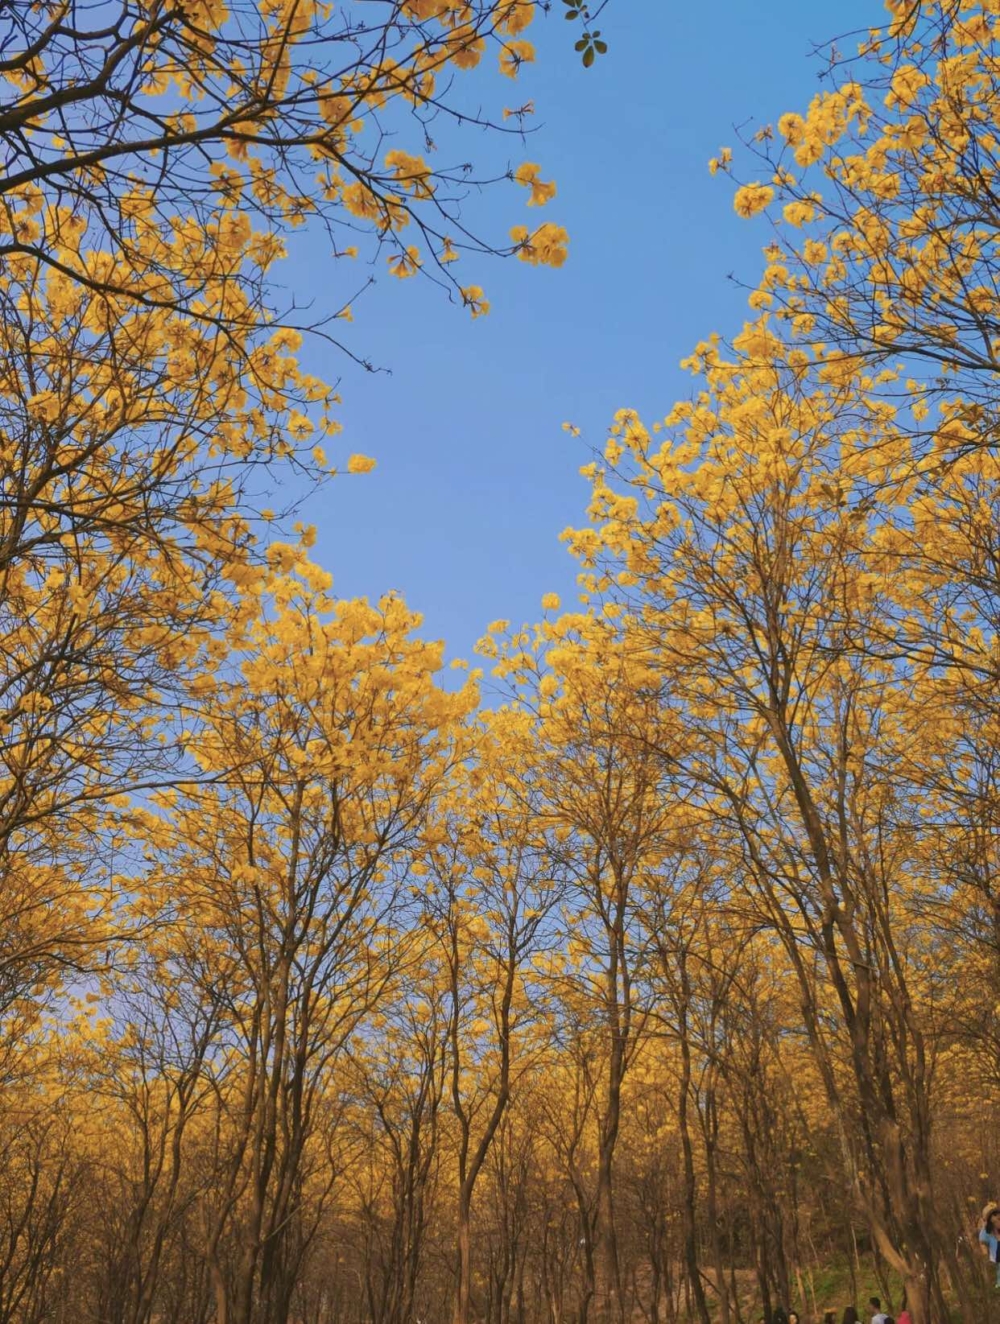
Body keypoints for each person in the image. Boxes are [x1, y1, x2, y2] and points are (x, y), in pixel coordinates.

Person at [980, 1201, 1000, 1288]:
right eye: (994, 1215)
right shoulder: (990, 1236)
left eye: (997, 1214)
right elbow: (982, 1239)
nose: (997, 1217)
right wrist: (984, 1226)